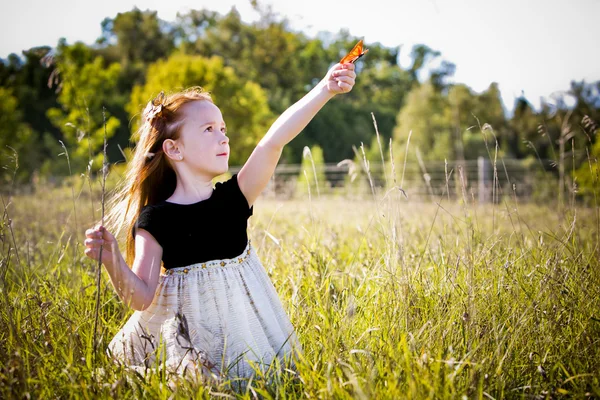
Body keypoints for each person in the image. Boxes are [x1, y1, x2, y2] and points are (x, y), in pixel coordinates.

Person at [84, 60, 356, 385]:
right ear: (174, 148)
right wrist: (113, 261)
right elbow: (140, 297)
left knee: (258, 385)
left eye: (223, 129)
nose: (224, 138)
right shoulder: (156, 219)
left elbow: (273, 141)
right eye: (209, 130)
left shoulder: (233, 199)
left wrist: (325, 89)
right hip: (190, 346)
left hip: (249, 336)